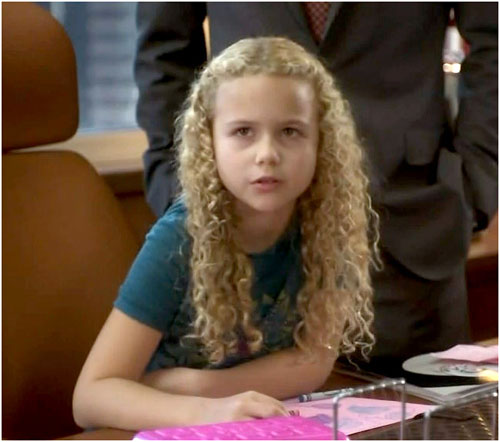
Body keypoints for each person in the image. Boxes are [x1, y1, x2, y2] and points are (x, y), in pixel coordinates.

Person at [134, 3, 498, 371]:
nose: (267, 153)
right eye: (243, 132)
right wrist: (189, 193)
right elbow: (163, 49)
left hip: (411, 224)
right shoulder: (171, 244)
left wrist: (476, 185)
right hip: (239, 249)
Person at [73, 37, 379, 430]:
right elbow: (91, 398)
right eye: (243, 131)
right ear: (210, 143)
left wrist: (191, 386)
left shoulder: (327, 223)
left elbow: (313, 364)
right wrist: (207, 410)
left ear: (322, 142)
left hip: (250, 425)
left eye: (290, 131)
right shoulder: (180, 236)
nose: (267, 154)